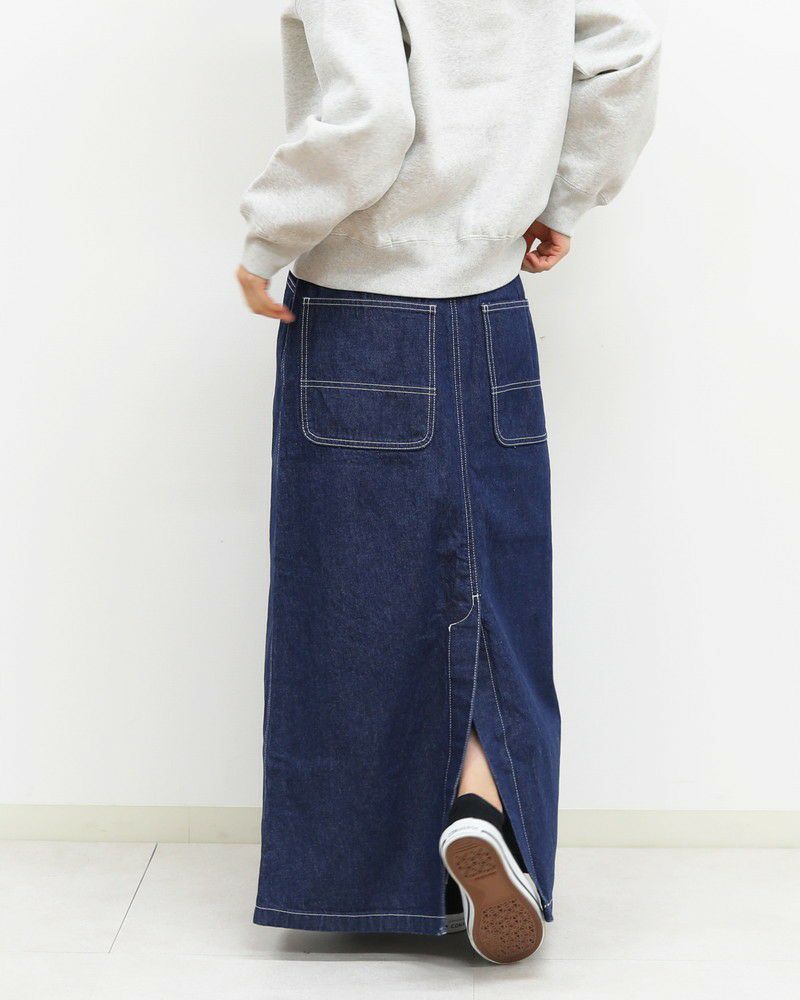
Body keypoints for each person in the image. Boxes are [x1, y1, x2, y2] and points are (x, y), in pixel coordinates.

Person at [236, 0, 659, 965]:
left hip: (362, 311)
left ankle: (365, 878)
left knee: (354, 602)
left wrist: (266, 238)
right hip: (490, 307)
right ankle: (482, 803)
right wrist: (564, 196)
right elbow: (627, 46)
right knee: (491, 584)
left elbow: (371, 114)